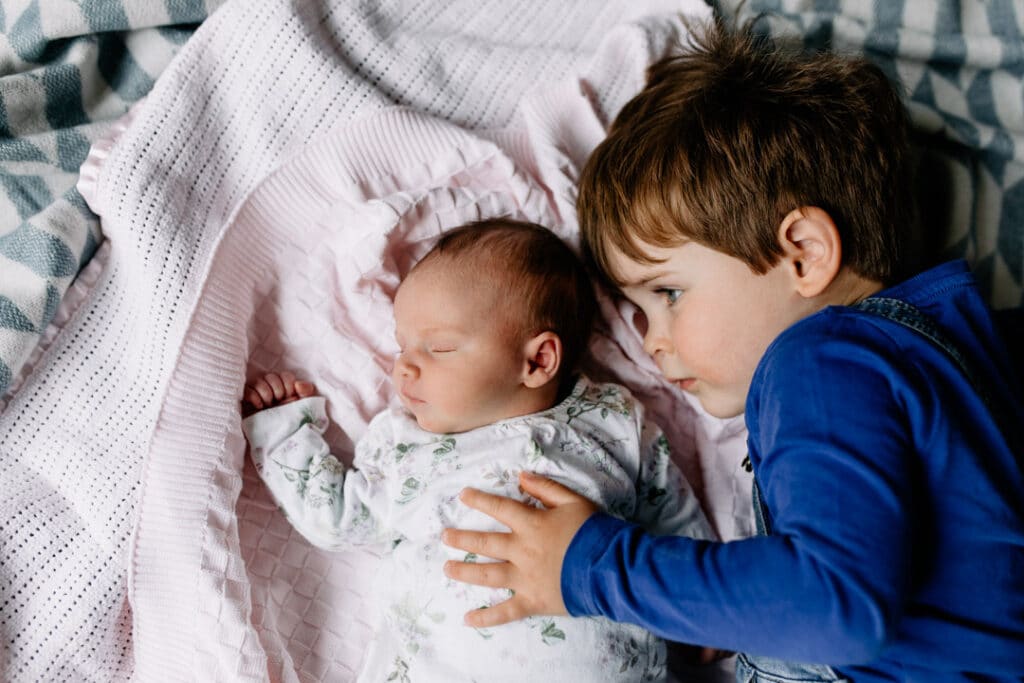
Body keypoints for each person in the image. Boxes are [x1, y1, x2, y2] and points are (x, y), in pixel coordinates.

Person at [440, 19, 1024, 683]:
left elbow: (837, 603)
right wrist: (721, 608)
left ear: (802, 252)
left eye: (669, 291)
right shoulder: (962, 345)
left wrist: (592, 567)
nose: (652, 340)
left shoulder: (818, 360)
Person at [241, 219, 714, 682]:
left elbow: (667, 507)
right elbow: (340, 517)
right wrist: (287, 435)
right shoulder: (407, 444)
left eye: (439, 348)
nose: (405, 367)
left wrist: (703, 604)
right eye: (403, 346)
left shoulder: (611, 417)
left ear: (537, 360)